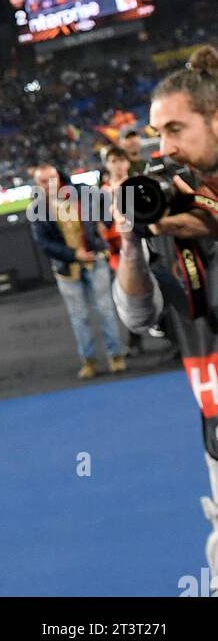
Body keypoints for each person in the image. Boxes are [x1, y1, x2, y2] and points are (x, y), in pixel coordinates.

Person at [113, 45, 218, 592]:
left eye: (176, 129)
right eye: (157, 135)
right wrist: (132, 244)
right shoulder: (168, 212)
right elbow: (137, 314)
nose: (165, 148)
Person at [30, 163, 126, 379]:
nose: (48, 184)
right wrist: (74, 255)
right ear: (37, 184)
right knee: (78, 316)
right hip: (67, 268)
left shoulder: (81, 192)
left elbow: (105, 207)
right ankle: (89, 361)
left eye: (51, 178)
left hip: (95, 259)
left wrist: (104, 222)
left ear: (59, 176)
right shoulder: (38, 207)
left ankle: (116, 356)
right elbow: (44, 243)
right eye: (43, 181)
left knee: (105, 310)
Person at [101, 146, 142, 355]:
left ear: (127, 163)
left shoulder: (139, 186)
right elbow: (99, 224)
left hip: (144, 246)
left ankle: (173, 338)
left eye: (121, 160)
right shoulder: (102, 194)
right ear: (107, 165)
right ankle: (134, 341)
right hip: (118, 253)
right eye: (113, 161)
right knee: (126, 296)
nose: (118, 165)